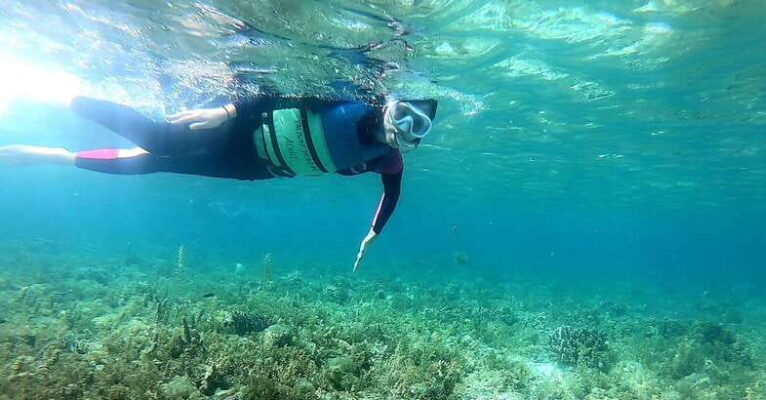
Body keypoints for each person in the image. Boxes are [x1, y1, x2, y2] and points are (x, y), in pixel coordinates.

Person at [0, 93, 438, 270]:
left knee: (155, 163)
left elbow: (393, 193)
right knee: (156, 138)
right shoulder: (350, 102)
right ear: (388, 106)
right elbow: (282, 95)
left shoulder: (388, 159)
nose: (402, 128)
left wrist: (372, 234)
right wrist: (227, 111)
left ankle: (59, 157)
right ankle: (60, 95)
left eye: (414, 128)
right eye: (403, 115)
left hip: (252, 168)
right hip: (242, 129)